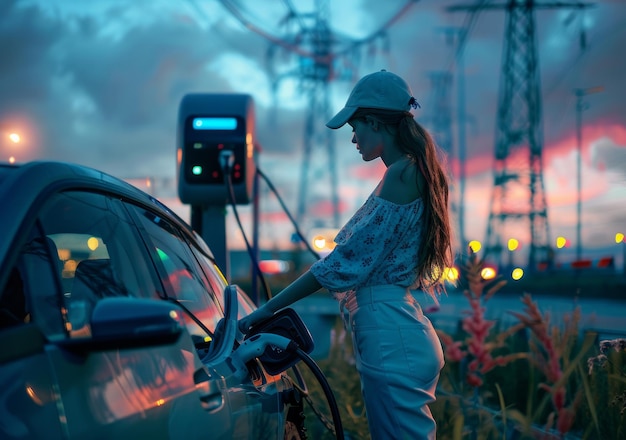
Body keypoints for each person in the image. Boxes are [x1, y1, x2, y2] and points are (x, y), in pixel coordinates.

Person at [239, 69, 453, 439]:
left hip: (390, 333)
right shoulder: (411, 172)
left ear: (375, 122)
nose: (353, 138)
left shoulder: (403, 175)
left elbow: (340, 265)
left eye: (356, 126)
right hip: (393, 329)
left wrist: (262, 312)